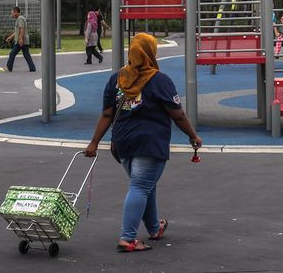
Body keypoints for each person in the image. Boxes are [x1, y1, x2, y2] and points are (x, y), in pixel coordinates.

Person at [84, 33, 202, 252]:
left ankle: (155, 227)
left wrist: (93, 143)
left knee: (146, 185)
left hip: (123, 144)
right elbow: (178, 114)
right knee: (140, 186)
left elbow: (107, 114)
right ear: (150, 52)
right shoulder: (159, 80)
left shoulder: (117, 79)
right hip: (149, 143)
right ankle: (128, 238)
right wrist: (193, 136)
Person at [5, 6, 36, 72]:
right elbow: (17, 31)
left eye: (12, 13)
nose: (11, 14)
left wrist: (20, 39)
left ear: (16, 12)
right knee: (26, 54)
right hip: (24, 40)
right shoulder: (20, 18)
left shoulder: (20, 19)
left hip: (21, 41)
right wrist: (11, 37)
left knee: (12, 53)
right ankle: (32, 68)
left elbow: (22, 29)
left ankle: (9, 67)